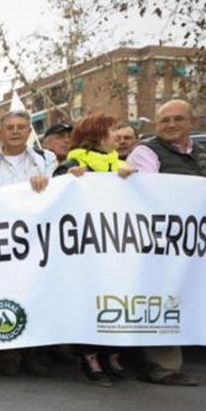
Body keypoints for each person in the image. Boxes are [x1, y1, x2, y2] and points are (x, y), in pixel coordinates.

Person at [124, 99, 206, 387]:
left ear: (191, 121)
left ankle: (150, 361)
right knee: (161, 297)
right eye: (164, 120)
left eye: (178, 119)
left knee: (179, 294)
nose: (171, 125)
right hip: (156, 239)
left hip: (188, 239)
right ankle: (163, 367)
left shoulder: (201, 153)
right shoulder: (146, 152)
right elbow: (153, 192)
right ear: (156, 125)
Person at [56, 113, 137, 385]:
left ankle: (112, 355)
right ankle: (89, 358)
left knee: (115, 300)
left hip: (115, 247)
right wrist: (68, 178)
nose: (118, 137)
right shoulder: (74, 162)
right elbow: (55, 193)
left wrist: (130, 179)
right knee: (89, 302)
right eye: (113, 131)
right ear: (98, 136)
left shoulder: (120, 165)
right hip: (85, 249)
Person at [0, 110, 57, 378]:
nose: (15, 131)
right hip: (2, 241)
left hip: (38, 239)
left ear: (29, 131)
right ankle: (8, 353)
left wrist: (49, 183)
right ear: (0, 133)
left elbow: (61, 188)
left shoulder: (46, 159)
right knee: (6, 294)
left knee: (37, 294)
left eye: (21, 127)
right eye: (10, 127)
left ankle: (35, 354)